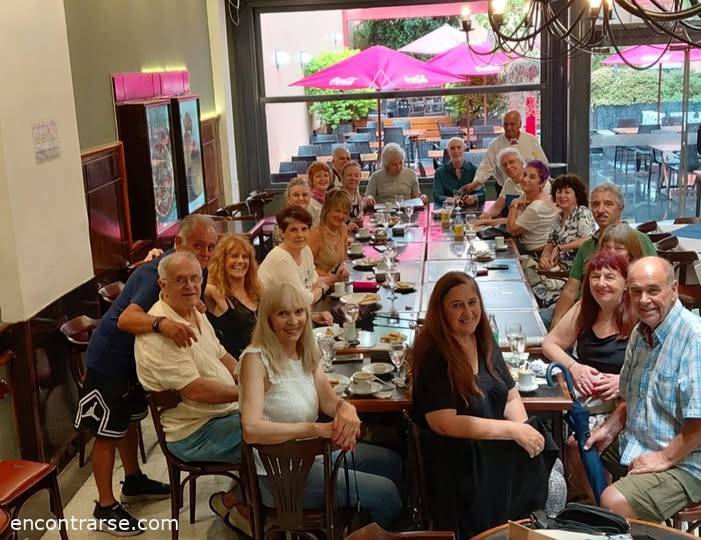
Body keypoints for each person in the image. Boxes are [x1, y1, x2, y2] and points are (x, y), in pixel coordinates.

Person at [73, 214, 218, 535]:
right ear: (178, 242)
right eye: (198, 246)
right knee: (107, 432)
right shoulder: (155, 273)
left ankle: (134, 480)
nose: (206, 254)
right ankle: (104, 506)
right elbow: (127, 319)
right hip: (111, 358)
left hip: (137, 359)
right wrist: (162, 324)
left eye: (211, 247)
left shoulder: (196, 269)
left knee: (129, 421)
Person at [239, 283, 403, 529]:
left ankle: (362, 526)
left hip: (312, 456)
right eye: (283, 313)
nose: (293, 321)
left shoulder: (304, 349)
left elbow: (328, 401)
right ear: (268, 319)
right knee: (385, 492)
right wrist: (315, 429)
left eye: (299, 312)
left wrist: (346, 408)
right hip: (282, 476)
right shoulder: (255, 359)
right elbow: (251, 430)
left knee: (392, 462)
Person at [412, 272, 559, 538]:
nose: (468, 312)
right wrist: (513, 432)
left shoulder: (483, 340)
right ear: (441, 311)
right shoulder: (434, 353)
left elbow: (510, 396)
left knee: (552, 472)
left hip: (494, 450)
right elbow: (444, 423)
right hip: (460, 464)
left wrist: (525, 432)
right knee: (553, 485)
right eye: (457, 305)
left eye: (472, 302)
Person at [134, 251, 249, 535]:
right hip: (194, 432)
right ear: (163, 285)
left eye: (195, 278)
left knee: (281, 417)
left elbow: (221, 355)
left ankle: (247, 502)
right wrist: (247, 394)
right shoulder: (160, 331)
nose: (190, 286)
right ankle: (251, 509)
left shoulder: (194, 311)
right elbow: (195, 390)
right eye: (181, 280)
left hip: (220, 415)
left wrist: (250, 377)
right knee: (270, 436)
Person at [585, 257, 701, 523]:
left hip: (688, 460)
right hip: (642, 438)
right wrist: (609, 428)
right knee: (579, 446)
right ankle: (612, 525)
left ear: (674, 290)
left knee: (613, 502)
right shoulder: (641, 332)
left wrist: (663, 458)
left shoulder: (694, 339)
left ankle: (617, 521)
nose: (644, 300)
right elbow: (632, 398)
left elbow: (699, 422)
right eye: (636, 292)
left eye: (653, 290)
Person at [543, 250, 635, 499]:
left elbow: (651, 366)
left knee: (579, 443)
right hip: (587, 401)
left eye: (610, 277)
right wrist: (575, 367)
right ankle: (596, 503)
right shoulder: (584, 308)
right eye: (595, 277)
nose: (601, 283)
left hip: (624, 403)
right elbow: (550, 343)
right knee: (572, 441)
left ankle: (604, 502)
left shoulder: (637, 313)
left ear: (625, 282)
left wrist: (622, 381)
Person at [547, 182, 656, 328]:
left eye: (608, 204)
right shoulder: (587, 246)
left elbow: (654, 285)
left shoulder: (639, 240)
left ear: (620, 208)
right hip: (581, 309)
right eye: (596, 204)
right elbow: (570, 289)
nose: (600, 210)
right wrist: (557, 321)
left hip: (620, 317)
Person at [257, 206, 333, 325]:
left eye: (304, 229)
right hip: (272, 324)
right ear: (282, 233)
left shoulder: (305, 250)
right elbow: (303, 300)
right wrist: (322, 288)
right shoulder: (281, 259)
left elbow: (313, 281)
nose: (300, 235)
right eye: (293, 230)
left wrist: (312, 315)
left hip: (291, 316)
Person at [466, 110, 549, 196]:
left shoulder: (531, 140)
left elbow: (542, 163)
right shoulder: (495, 145)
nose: (508, 128)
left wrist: (544, 182)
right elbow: (485, 168)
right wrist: (475, 183)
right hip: (505, 191)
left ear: (520, 124)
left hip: (530, 190)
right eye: (506, 124)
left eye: (512, 124)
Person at [205, 234, 260, 360]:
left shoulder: (257, 291)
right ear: (222, 261)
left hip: (264, 357)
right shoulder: (216, 293)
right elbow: (197, 286)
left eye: (245, 257)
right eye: (234, 256)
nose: (240, 261)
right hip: (236, 363)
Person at [476, 147, 551, 224]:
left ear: (521, 162)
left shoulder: (537, 183)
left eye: (512, 162)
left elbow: (525, 220)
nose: (508, 167)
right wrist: (487, 214)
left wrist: (489, 222)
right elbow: (496, 208)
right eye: (504, 165)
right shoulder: (509, 182)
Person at [539, 175, 596, 271]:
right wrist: (544, 258)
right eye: (559, 192)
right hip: (555, 270)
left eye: (567, 192)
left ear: (577, 195)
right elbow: (550, 243)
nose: (562, 196)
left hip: (574, 272)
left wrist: (561, 248)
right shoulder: (558, 217)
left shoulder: (582, 213)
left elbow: (589, 239)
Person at [505, 160, 559, 254]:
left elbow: (511, 230)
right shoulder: (526, 194)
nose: (525, 179)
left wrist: (513, 205)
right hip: (521, 245)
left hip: (535, 254)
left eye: (532, 177)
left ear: (542, 183)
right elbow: (510, 223)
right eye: (524, 175)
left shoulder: (537, 207)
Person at [308, 188, 351, 282]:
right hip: (319, 285)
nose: (341, 216)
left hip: (337, 283)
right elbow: (306, 271)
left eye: (345, 212)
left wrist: (343, 268)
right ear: (327, 209)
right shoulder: (316, 234)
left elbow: (344, 260)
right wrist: (332, 278)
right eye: (337, 211)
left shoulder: (343, 228)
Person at [432, 137, 485, 207]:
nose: (456, 151)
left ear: (464, 149)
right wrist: (447, 199)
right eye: (452, 148)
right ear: (448, 151)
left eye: (459, 147)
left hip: (471, 210)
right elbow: (437, 195)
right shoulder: (439, 172)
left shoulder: (474, 170)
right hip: (448, 210)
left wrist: (474, 197)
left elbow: (482, 193)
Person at [339, 160, 366, 227]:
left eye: (356, 175)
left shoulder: (357, 196)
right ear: (342, 177)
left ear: (360, 178)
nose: (353, 178)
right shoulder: (337, 196)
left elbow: (359, 217)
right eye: (349, 175)